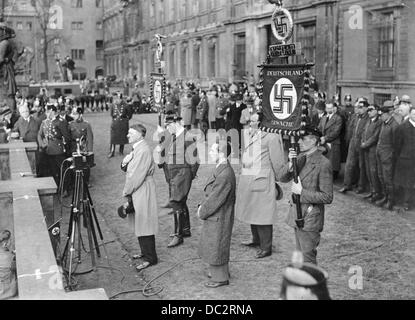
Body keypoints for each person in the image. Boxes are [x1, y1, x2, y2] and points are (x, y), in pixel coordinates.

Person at [277, 125, 333, 265]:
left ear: (314, 141)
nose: (299, 142)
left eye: (303, 139)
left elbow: (327, 196)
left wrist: (302, 192)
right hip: (298, 214)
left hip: (310, 215)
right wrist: (291, 163)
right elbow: (282, 177)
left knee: (308, 257)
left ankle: (312, 284)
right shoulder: (301, 157)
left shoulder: (323, 163)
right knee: (300, 253)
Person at [236, 113, 285, 259]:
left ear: (262, 123)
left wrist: (278, 178)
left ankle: (266, 247)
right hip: (249, 178)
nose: (250, 123)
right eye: (250, 121)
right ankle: (255, 239)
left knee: (263, 215)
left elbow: (277, 161)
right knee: (252, 210)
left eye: (253, 121)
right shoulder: (251, 134)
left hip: (263, 179)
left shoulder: (272, 136)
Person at [158, 112, 199, 248]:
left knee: (176, 202)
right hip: (174, 175)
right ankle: (185, 229)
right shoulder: (174, 136)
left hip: (182, 175)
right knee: (181, 202)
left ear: (175, 124)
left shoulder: (188, 137)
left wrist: (188, 176)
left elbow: (195, 161)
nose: (167, 129)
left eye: (168, 126)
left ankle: (178, 235)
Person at [198, 141, 236, 288]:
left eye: (213, 150)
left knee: (217, 245)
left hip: (219, 216)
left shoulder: (224, 174)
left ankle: (220, 278)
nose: (210, 153)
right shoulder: (223, 169)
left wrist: (202, 210)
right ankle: (220, 273)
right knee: (216, 244)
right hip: (218, 215)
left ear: (221, 153)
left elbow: (215, 199)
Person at [121, 124, 159, 271]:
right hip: (140, 188)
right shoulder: (138, 148)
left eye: (131, 133)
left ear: (139, 134)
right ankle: (145, 253)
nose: (127, 135)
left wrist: (126, 191)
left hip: (142, 188)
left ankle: (151, 258)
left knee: (145, 222)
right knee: (140, 221)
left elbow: (135, 175)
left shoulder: (142, 150)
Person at [37, 103, 71, 191]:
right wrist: (42, 144)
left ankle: (65, 188)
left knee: (62, 170)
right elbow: (39, 135)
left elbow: (67, 137)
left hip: (58, 150)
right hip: (48, 150)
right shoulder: (45, 122)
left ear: (52, 111)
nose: (46, 113)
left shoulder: (61, 122)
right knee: (52, 170)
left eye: (47, 111)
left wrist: (65, 148)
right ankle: (56, 188)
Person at [339, 99, 369, 194]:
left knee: (361, 166)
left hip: (361, 144)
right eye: (357, 107)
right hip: (353, 142)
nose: (358, 110)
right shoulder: (355, 117)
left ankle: (361, 186)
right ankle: (346, 185)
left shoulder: (368, 118)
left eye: (361, 108)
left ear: (366, 108)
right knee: (349, 164)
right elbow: (350, 129)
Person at [375, 101, 399, 210]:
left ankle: (391, 200)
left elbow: (396, 144)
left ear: (388, 114)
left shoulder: (394, 125)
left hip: (387, 157)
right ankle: (385, 197)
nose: (380, 117)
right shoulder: (384, 124)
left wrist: (390, 156)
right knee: (381, 177)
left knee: (388, 179)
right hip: (380, 155)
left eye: (382, 115)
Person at [394, 107, 415, 211]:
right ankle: (406, 202)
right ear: (410, 114)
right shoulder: (402, 127)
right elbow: (397, 145)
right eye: (414, 114)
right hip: (406, 159)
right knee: (407, 182)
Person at [361, 104, 383, 203]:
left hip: (373, 150)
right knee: (368, 171)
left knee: (373, 171)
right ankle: (372, 190)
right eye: (368, 110)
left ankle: (377, 192)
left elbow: (375, 137)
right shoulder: (368, 121)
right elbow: (363, 133)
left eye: (371, 110)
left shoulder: (379, 122)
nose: (369, 112)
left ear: (377, 111)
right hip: (366, 149)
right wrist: (363, 142)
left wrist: (365, 144)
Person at [318, 101, 343, 180]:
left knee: (332, 164)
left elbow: (336, 132)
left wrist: (325, 138)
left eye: (330, 108)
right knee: (324, 162)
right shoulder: (324, 117)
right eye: (327, 108)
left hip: (333, 143)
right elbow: (319, 128)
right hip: (324, 143)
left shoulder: (338, 118)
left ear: (334, 108)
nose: (329, 109)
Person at [108, 93, 133, 158]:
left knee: (122, 138)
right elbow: (111, 114)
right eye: (116, 98)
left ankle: (121, 151)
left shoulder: (126, 105)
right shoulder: (113, 105)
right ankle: (112, 152)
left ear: (121, 99)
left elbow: (130, 115)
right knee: (113, 138)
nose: (116, 100)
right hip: (115, 123)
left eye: (118, 98)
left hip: (123, 124)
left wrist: (125, 120)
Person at [0, 23, 17, 112]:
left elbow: (0, 59)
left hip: (5, 71)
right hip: (6, 70)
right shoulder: (6, 42)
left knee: (8, 93)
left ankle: (11, 111)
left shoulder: (4, 43)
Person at [0, 230, 17, 300]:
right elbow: (15, 267)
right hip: (8, 290)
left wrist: (13, 252)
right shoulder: (7, 257)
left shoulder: (5, 251)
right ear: (5, 243)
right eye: (10, 240)